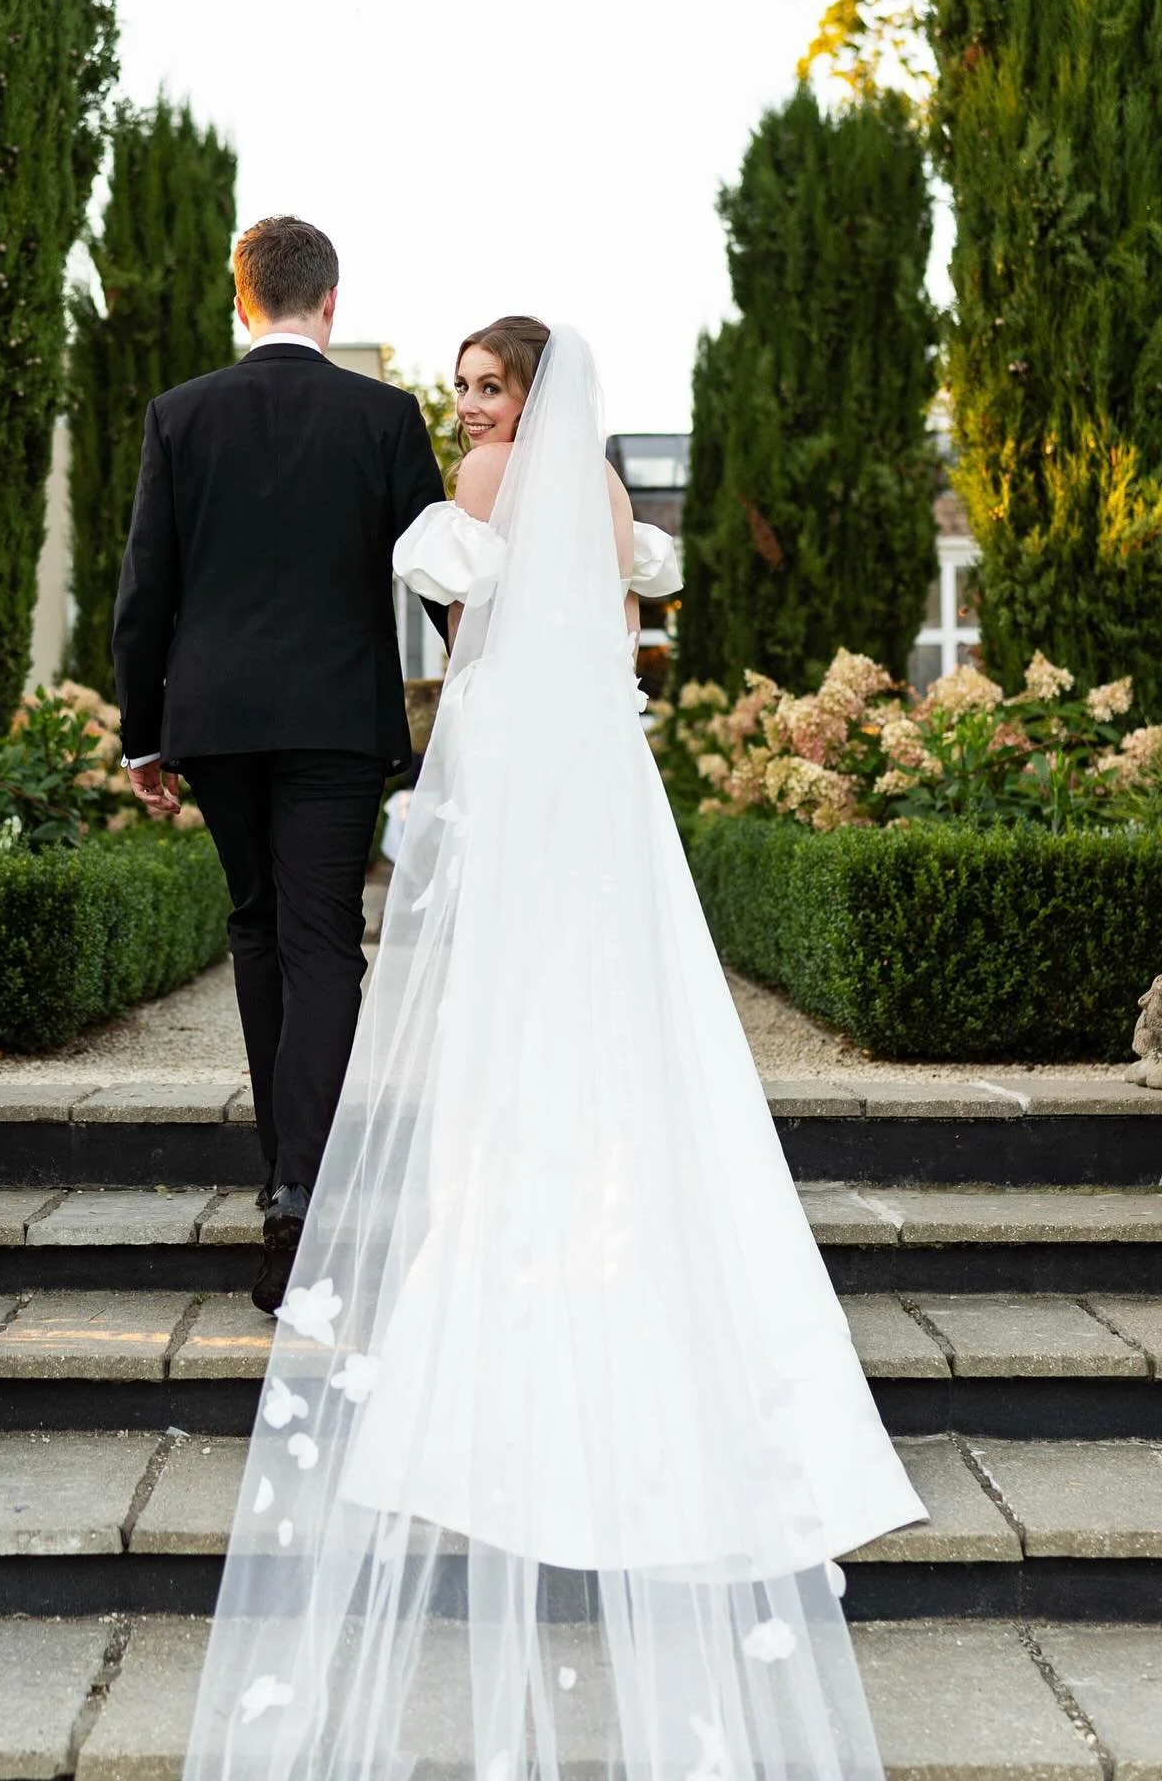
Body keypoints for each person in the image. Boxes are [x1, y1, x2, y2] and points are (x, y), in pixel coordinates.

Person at [180, 322, 927, 1779]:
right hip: (603, 779)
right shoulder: (604, 490)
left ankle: (518, 1239)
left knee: (508, 1021)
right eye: (465, 388)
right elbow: (633, 612)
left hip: (521, 771)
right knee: (623, 1012)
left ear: (526, 392)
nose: (469, 408)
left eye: (487, 385)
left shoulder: (484, 486)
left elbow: (455, 623)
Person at [111, 216, 447, 1315]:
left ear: (240, 298)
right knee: (323, 941)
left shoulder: (180, 414)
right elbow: (439, 578)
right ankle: (301, 1191)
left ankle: (287, 1183)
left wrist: (143, 734)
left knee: (258, 930)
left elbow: (146, 589)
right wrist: (485, 687)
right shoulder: (383, 417)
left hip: (215, 721)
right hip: (339, 721)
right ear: (331, 302)